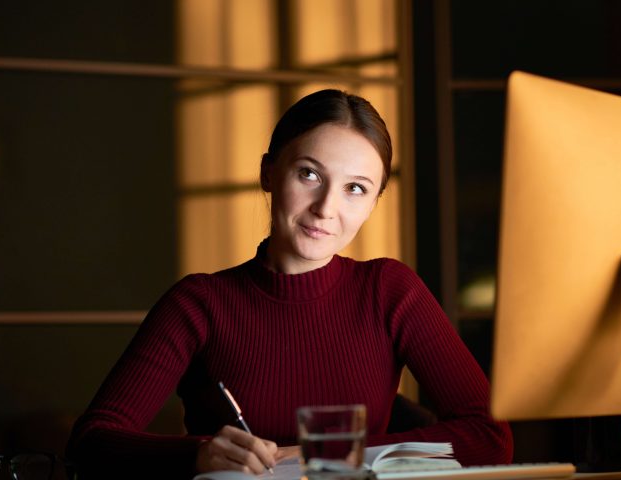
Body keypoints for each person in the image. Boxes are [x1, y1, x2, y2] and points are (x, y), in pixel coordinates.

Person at [66, 89, 513, 478]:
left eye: (355, 188)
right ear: (269, 173)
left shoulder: (390, 289)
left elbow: (489, 436)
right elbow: (91, 444)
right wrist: (199, 455)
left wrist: (325, 455)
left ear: (374, 202)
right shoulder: (199, 303)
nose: (326, 209)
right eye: (310, 174)